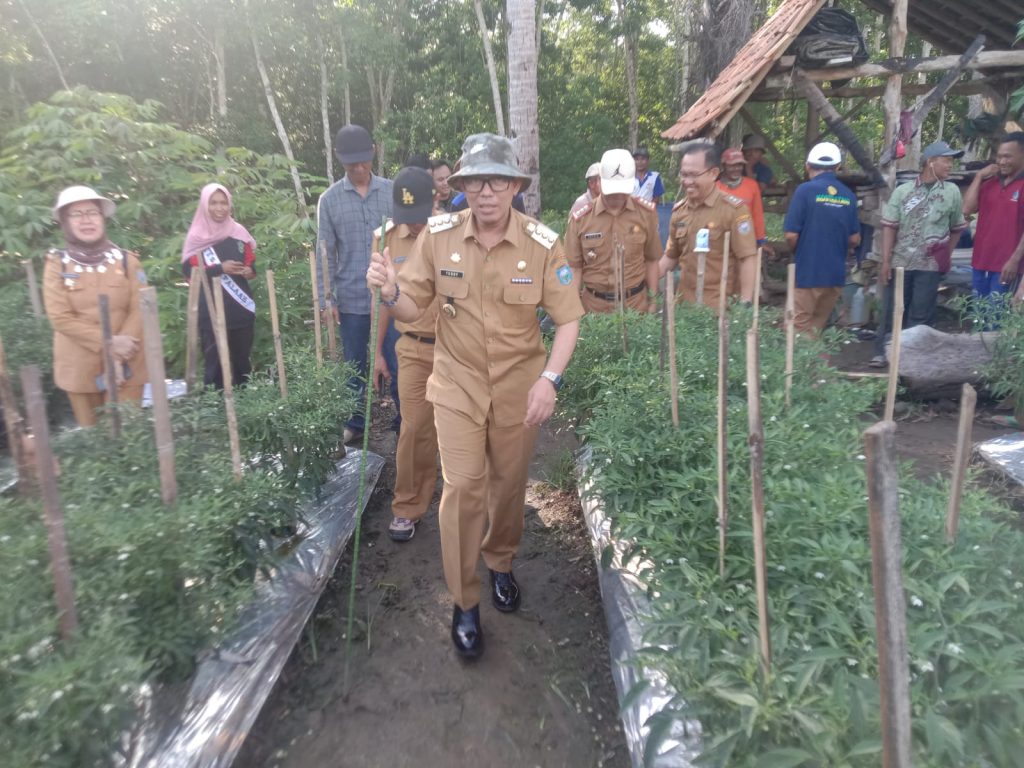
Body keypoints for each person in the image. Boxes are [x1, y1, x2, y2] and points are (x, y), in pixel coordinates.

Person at [365, 133, 583, 660]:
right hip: (457, 385)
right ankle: (464, 600)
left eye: (497, 181)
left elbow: (569, 317)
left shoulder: (541, 242)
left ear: (513, 186)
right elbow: (414, 306)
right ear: (461, 187)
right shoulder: (438, 237)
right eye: (475, 182)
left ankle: (501, 561)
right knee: (462, 487)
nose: (486, 192)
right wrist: (391, 291)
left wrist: (548, 380)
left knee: (508, 487)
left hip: (518, 391)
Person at [316, 124, 399, 442]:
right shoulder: (330, 200)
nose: (359, 168)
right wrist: (327, 299)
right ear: (339, 159)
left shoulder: (392, 192)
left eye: (364, 160)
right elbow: (326, 252)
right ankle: (357, 422)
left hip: (391, 296)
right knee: (355, 364)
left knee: (397, 357)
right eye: (352, 163)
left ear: (373, 152)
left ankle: (404, 418)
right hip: (351, 298)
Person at [369, 167, 438, 542]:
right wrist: (378, 351)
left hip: (454, 348)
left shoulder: (452, 233)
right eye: (406, 218)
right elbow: (384, 302)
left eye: (419, 217)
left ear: (435, 202)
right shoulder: (384, 240)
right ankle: (408, 505)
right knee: (413, 429)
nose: (413, 226)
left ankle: (477, 501)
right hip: (411, 348)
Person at [43, 186, 147, 427]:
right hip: (80, 367)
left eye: (92, 212)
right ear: (65, 223)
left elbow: (141, 306)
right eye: (76, 214)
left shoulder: (127, 261)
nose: (86, 220)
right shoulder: (57, 264)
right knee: (96, 440)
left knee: (129, 434)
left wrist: (121, 352)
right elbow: (60, 317)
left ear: (103, 218)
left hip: (128, 362)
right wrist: (109, 343)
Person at [870, 140, 968, 367]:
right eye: (946, 160)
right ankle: (883, 352)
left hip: (930, 264)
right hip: (900, 261)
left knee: (921, 313)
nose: (950, 165)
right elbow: (890, 226)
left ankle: (911, 358)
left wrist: (946, 254)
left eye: (951, 161)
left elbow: (956, 228)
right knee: (893, 309)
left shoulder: (951, 192)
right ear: (930, 162)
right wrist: (885, 261)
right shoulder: (903, 191)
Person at [659, 142, 758, 310]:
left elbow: (747, 257)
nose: (687, 181)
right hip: (685, 307)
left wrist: (746, 302)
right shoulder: (679, 211)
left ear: (713, 173)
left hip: (720, 308)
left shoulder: (734, 210)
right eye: (683, 174)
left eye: (694, 175)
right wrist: (644, 282)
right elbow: (670, 256)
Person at [565, 149, 662, 314]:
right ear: (599, 181)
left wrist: (652, 302)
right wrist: (572, 310)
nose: (617, 195)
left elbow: (651, 260)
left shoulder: (646, 214)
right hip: (594, 309)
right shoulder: (581, 219)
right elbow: (574, 268)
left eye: (622, 189)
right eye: (612, 189)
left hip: (636, 306)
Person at [181, 183, 257, 389]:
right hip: (211, 311)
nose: (219, 208)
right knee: (214, 367)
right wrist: (219, 268)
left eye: (224, 203)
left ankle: (247, 408)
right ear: (205, 205)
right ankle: (216, 412)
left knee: (242, 363)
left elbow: (251, 263)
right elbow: (189, 273)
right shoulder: (196, 237)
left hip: (240, 309)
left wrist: (249, 271)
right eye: (213, 203)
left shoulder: (239, 232)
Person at [783, 142, 861, 335]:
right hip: (834, 275)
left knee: (797, 330)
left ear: (808, 165)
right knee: (816, 328)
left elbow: (791, 235)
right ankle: (814, 364)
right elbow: (855, 239)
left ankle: (801, 366)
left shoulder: (804, 191)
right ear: (837, 167)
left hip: (808, 272)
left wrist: (800, 250)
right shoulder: (848, 196)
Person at [962, 132, 1024, 301]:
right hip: (980, 261)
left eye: (1007, 156)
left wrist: (1015, 260)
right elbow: (967, 209)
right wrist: (979, 177)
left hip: (1008, 267)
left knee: (996, 319)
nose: (1002, 161)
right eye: (999, 156)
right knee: (978, 317)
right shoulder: (989, 183)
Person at [718, 147, 769, 254]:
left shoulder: (752, 185)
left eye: (739, 165)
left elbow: (757, 214)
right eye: (732, 165)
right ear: (724, 166)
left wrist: (761, 240)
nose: (736, 168)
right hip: (721, 240)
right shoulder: (715, 187)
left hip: (746, 238)